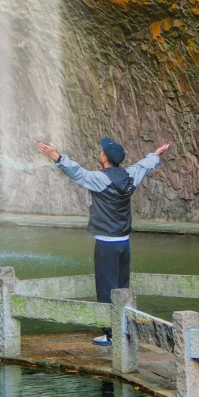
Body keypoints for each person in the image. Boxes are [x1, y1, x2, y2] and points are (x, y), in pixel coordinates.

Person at [36, 135, 171, 346]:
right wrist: (156, 155)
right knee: (122, 287)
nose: (100, 154)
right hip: (124, 243)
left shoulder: (100, 179)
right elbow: (144, 166)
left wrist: (56, 156)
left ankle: (110, 334)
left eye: (101, 152)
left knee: (107, 289)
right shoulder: (129, 176)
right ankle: (124, 328)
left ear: (105, 158)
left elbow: (77, 172)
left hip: (107, 243)